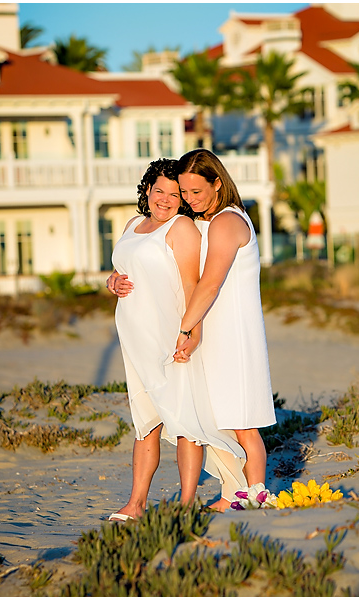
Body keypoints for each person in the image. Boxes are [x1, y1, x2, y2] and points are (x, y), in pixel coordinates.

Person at [105, 158, 246, 521]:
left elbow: (191, 284)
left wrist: (190, 333)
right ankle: (135, 504)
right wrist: (112, 281)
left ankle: (185, 503)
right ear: (147, 191)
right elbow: (124, 269)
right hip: (135, 339)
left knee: (184, 421)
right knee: (145, 421)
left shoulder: (182, 227)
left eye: (174, 193)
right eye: (159, 191)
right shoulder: (134, 224)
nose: (165, 199)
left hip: (169, 336)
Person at [173, 149, 277, 512]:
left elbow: (211, 283)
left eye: (196, 192)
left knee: (243, 420)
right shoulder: (203, 220)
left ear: (218, 183)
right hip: (210, 328)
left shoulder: (228, 221)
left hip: (233, 332)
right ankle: (233, 493)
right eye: (184, 192)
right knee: (216, 417)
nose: (190, 199)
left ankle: (257, 495)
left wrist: (184, 329)